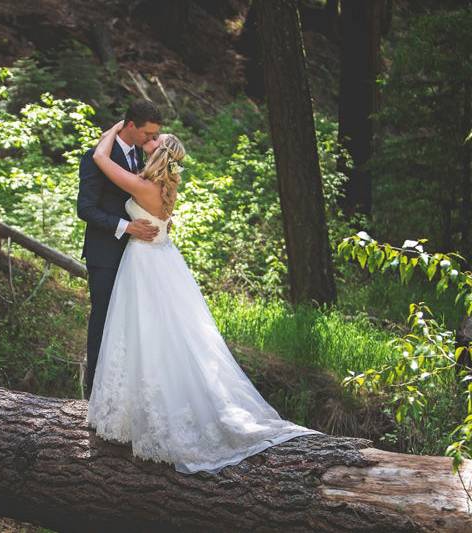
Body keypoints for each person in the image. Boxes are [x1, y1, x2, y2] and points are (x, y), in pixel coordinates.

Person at [85, 121, 322, 475]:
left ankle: (149, 414)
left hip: (146, 264)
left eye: (154, 140)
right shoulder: (164, 188)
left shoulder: (145, 186)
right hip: (159, 258)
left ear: (160, 154)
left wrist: (117, 127)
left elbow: (101, 159)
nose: (148, 141)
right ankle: (138, 410)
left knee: (145, 333)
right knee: (160, 335)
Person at [76, 99, 163, 401]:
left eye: (155, 136)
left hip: (136, 256)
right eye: (147, 134)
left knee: (131, 323)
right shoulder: (95, 157)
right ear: (129, 126)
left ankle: (124, 392)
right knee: (104, 320)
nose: (151, 141)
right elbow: (85, 209)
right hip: (105, 255)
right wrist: (127, 227)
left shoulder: (141, 155)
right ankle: (93, 395)